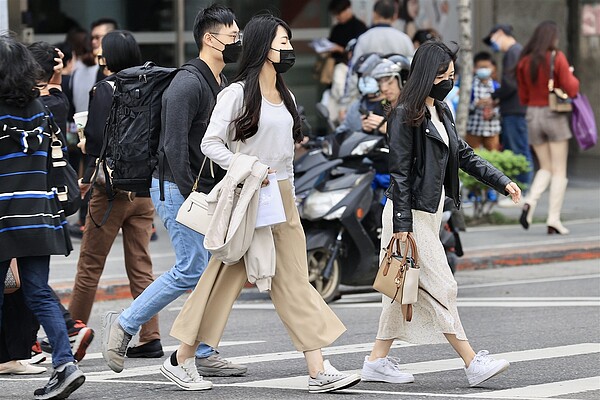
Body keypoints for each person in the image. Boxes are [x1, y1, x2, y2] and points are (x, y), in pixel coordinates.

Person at [162, 14, 362, 394]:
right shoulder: (236, 93)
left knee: (293, 280)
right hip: (248, 195)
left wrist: (290, 185)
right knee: (222, 279)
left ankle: (317, 369)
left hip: (281, 196)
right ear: (262, 48)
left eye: (288, 42)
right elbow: (210, 144)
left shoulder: (284, 94)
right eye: (282, 42)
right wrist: (247, 165)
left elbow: (285, 149)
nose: (288, 49)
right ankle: (182, 357)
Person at [360, 41, 521, 388]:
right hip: (409, 215)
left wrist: (502, 181)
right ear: (424, 75)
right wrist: (402, 225)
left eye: (451, 73)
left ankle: (376, 362)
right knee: (442, 286)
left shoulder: (441, 110)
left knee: (399, 291)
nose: (448, 79)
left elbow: (464, 155)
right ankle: (472, 362)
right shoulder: (405, 113)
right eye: (442, 74)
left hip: (428, 214)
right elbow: (400, 172)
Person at [102, 4, 247, 377]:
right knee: (190, 268)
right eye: (232, 37)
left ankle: (203, 350)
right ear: (209, 39)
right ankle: (125, 324)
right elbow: (173, 145)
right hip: (175, 186)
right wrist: (192, 193)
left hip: (204, 189)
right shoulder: (187, 83)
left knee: (212, 269)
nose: (237, 43)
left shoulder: (222, 83)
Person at [67, 30, 163, 361]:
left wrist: (82, 148)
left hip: (110, 191)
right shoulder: (151, 86)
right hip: (144, 189)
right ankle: (150, 336)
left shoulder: (105, 89)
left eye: (103, 50)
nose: (99, 54)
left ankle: (71, 331)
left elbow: (94, 141)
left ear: (110, 57)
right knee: (141, 265)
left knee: (90, 264)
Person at [0, 34, 85, 400]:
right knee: (38, 292)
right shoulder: (40, 109)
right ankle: (65, 365)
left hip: (3, 216)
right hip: (40, 216)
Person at [28, 41, 95, 362]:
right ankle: (28, 343)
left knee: (30, 283)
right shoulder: (49, 99)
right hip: (40, 201)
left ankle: (64, 331)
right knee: (30, 282)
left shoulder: (44, 103)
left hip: (34, 200)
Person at [516, 21, 579, 235]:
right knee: (559, 169)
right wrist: (570, 73)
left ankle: (529, 202)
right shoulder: (556, 57)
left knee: (545, 167)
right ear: (552, 37)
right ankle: (553, 219)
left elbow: (523, 96)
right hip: (554, 114)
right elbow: (571, 88)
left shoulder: (524, 61)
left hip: (533, 114)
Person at [483, 24, 533, 193]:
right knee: (517, 150)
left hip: (515, 109)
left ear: (500, 33)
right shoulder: (517, 51)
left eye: (493, 40)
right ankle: (521, 191)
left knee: (518, 151)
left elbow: (510, 84)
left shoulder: (513, 52)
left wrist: (494, 96)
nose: (494, 45)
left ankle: (523, 191)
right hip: (515, 107)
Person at [350, 0, 414, 68]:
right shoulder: (404, 39)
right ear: (395, 16)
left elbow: (355, 67)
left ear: (374, 14)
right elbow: (412, 65)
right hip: (397, 77)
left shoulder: (364, 38)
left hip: (370, 77)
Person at [466, 51, 501, 151]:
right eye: (481, 67)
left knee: (493, 155)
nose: (484, 70)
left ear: (493, 68)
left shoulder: (496, 86)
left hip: (492, 129)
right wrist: (476, 104)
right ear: (474, 68)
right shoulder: (470, 85)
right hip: (473, 128)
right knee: (472, 155)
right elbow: (463, 107)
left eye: (487, 67)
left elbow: (500, 107)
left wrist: (493, 111)